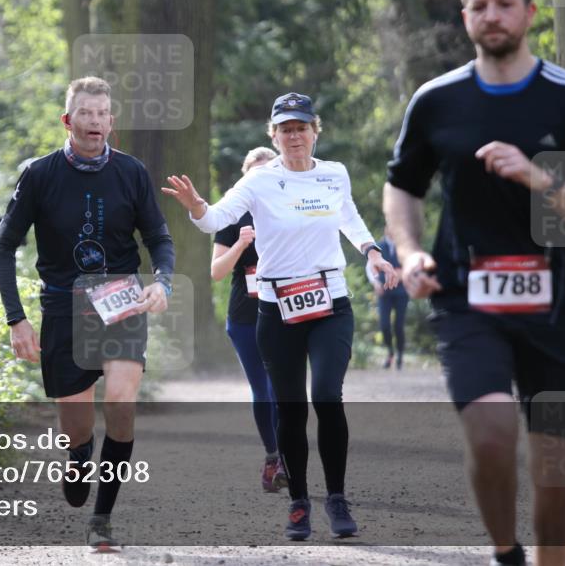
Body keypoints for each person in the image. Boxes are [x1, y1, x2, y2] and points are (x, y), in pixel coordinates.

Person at [383, 0, 565, 566]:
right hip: (466, 297)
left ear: (530, 12)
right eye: (479, 6)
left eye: (505, 4)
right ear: (464, 15)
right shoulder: (436, 102)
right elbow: (402, 184)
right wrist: (411, 251)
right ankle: (506, 550)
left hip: (559, 302)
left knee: (555, 461)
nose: (492, 15)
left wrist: (536, 176)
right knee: (493, 429)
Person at [163, 93, 398, 541]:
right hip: (276, 307)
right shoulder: (259, 182)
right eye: (285, 129)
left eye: (301, 127)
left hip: (330, 301)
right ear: (273, 135)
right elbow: (215, 219)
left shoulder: (334, 174)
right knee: (289, 408)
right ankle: (299, 503)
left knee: (327, 396)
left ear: (315, 131)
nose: (294, 136)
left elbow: (347, 215)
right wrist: (195, 205)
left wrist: (372, 251)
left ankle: (337, 499)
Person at [0, 76, 174, 553]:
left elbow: (159, 238)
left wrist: (163, 281)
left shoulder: (132, 172)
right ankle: (78, 455)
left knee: (119, 402)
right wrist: (16, 319)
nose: (95, 122)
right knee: (77, 426)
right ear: (68, 121)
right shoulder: (40, 174)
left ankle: (103, 518)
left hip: (121, 298)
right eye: (85, 114)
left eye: (102, 114)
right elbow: (4, 245)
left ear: (112, 121)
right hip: (63, 303)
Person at [211, 146, 286, 491]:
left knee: (285, 389)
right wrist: (241, 246)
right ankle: (274, 456)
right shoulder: (232, 216)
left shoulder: (289, 210)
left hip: (289, 311)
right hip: (246, 316)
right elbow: (216, 271)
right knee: (264, 389)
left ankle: (287, 457)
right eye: (253, 173)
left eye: (268, 171)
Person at [366, 230, 410, 370]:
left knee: (399, 325)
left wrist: (404, 274)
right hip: (384, 292)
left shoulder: (404, 247)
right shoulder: (378, 247)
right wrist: (375, 283)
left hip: (401, 291)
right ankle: (390, 352)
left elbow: (409, 266)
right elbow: (369, 266)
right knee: (384, 325)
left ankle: (400, 356)